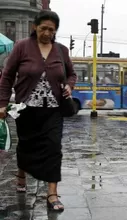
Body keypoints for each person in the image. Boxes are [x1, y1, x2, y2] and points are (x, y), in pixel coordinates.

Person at [0, 10, 77, 211]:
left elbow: (71, 75)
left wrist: (69, 86)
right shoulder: (22, 47)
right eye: (43, 28)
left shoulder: (61, 50)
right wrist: (2, 103)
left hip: (53, 109)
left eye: (51, 30)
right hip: (26, 108)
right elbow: (7, 77)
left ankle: (52, 193)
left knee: (54, 148)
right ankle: (22, 173)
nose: (47, 33)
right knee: (26, 146)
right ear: (35, 27)